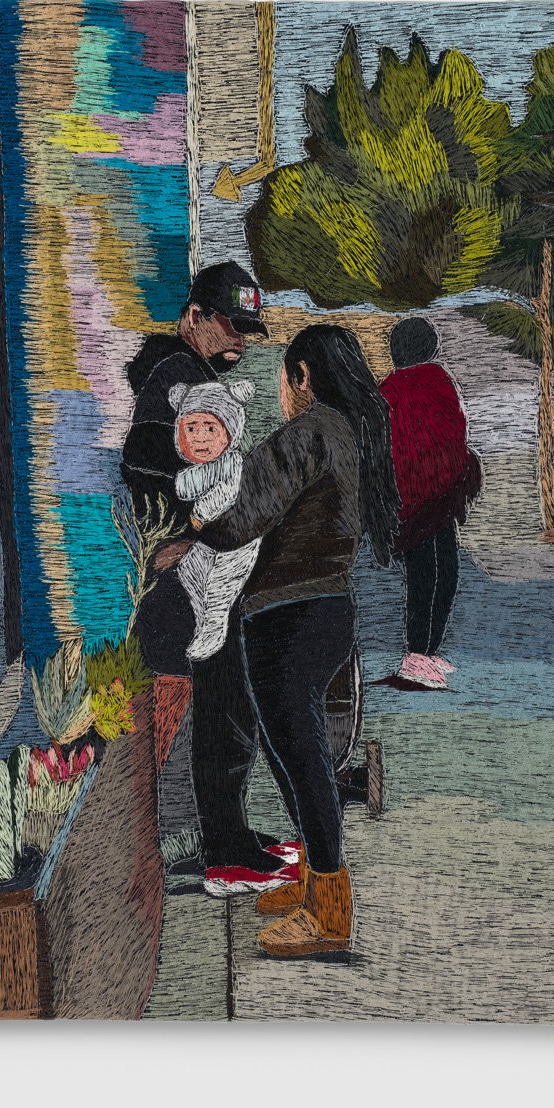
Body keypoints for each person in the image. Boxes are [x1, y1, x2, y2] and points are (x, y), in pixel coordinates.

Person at [195, 324, 400, 958]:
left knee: (301, 761)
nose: (282, 393)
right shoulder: (350, 433)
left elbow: (244, 515)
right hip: (327, 609)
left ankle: (330, 913)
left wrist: (191, 526)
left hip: (288, 616)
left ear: (302, 376)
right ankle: (314, 881)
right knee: (298, 757)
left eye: (284, 379)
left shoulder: (309, 432)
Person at [121, 261, 292, 892]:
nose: (241, 341)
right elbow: (143, 468)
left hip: (195, 575)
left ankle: (224, 837)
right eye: (231, 326)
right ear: (193, 316)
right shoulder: (178, 378)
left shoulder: (185, 375)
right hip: (186, 581)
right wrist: (183, 535)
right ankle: (217, 847)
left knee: (218, 710)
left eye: (247, 330)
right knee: (214, 713)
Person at [379, 317, 482, 690]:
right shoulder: (413, 387)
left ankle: (426, 652)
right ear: (431, 347)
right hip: (428, 500)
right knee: (435, 576)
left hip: (422, 501)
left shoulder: (421, 384)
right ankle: (416, 656)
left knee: (434, 575)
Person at [169, 379, 261, 663]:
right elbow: (184, 488)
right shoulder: (195, 470)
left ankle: (215, 624)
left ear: (231, 432)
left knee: (221, 583)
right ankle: (203, 620)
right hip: (212, 539)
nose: (201, 438)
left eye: (211, 429)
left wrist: (199, 514)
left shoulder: (233, 462)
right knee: (189, 570)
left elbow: (226, 492)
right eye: (191, 429)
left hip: (238, 538)